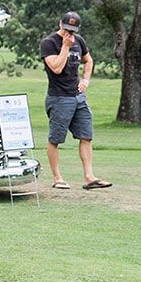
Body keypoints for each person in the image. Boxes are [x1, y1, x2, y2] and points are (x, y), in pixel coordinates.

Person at [40, 11, 111, 191]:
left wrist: (86, 79)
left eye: (72, 30)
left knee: (86, 136)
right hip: (59, 98)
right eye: (66, 29)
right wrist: (65, 46)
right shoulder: (49, 43)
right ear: (60, 24)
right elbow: (56, 67)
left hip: (78, 97)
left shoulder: (79, 41)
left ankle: (89, 177)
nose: (69, 33)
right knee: (55, 139)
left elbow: (88, 60)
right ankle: (58, 178)